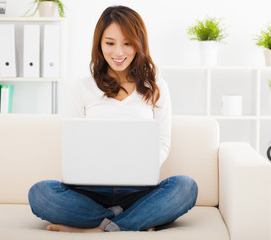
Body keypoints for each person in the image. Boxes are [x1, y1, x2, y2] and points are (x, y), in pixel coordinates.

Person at [28, 5, 198, 233]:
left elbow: (163, 143)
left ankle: (100, 228)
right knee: (40, 193)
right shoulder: (82, 87)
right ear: (99, 44)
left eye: (127, 43)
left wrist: (140, 168)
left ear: (139, 44)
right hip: (89, 192)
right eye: (110, 43)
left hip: (138, 192)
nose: (119, 52)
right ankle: (130, 222)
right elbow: (74, 144)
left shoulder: (156, 88)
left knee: (185, 187)